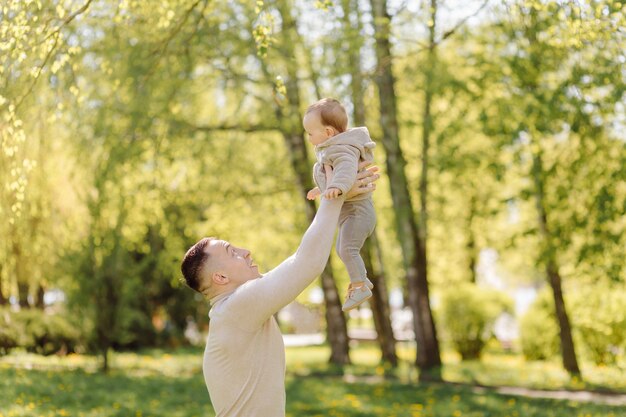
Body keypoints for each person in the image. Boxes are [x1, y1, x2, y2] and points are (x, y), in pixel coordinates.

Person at [180, 163, 379, 417]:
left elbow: (297, 265)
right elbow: (306, 263)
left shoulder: (233, 312)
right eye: (233, 252)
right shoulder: (236, 307)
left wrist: (337, 193)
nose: (246, 252)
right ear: (220, 277)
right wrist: (334, 194)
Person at [304, 98, 377, 311]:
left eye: (310, 133)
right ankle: (361, 278)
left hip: (358, 213)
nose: (308, 138)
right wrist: (322, 187)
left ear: (327, 133)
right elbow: (334, 176)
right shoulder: (332, 148)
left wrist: (337, 187)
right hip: (351, 212)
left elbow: (345, 171)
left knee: (347, 248)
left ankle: (360, 286)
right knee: (343, 248)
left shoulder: (342, 149)